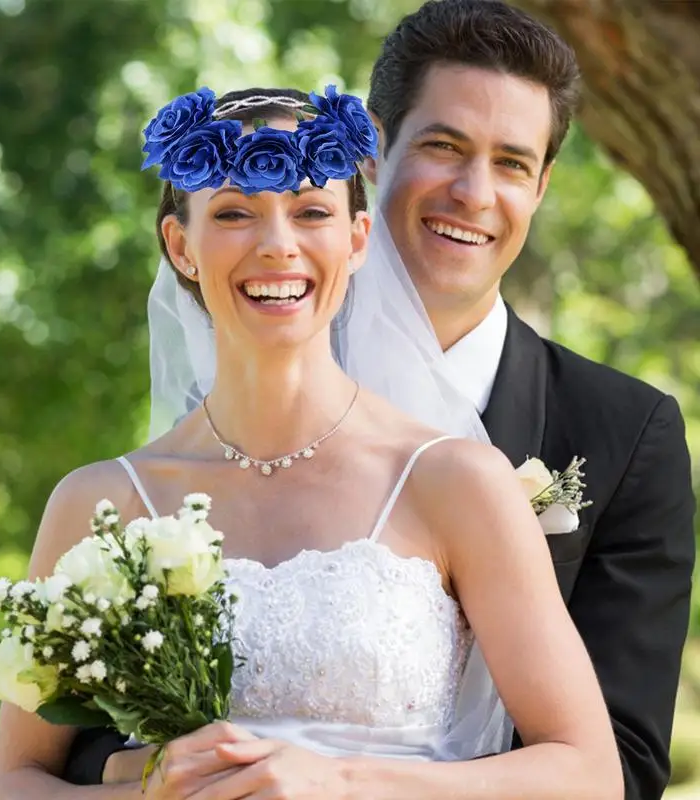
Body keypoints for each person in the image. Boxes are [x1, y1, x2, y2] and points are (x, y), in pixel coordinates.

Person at [61, 2, 695, 798]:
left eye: (511, 163)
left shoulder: (627, 432)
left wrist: (347, 780)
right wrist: (173, 770)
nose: (472, 192)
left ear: (541, 186)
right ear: (373, 147)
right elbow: (88, 737)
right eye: (444, 146)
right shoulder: (216, 413)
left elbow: (622, 765)